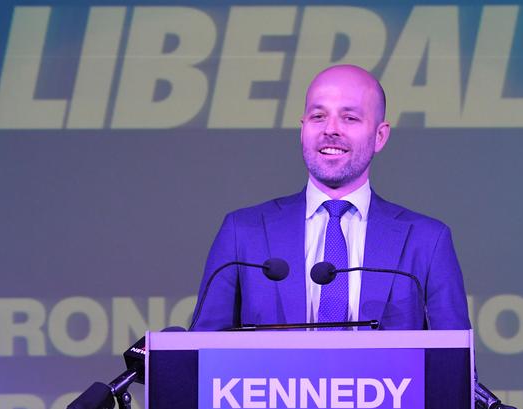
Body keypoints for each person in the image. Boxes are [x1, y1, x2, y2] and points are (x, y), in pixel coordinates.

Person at [191, 65, 470, 331]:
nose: (330, 130)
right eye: (318, 116)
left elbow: (456, 367)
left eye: (349, 117)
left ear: (380, 136)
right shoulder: (243, 232)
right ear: (303, 130)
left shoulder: (427, 241)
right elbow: (200, 357)